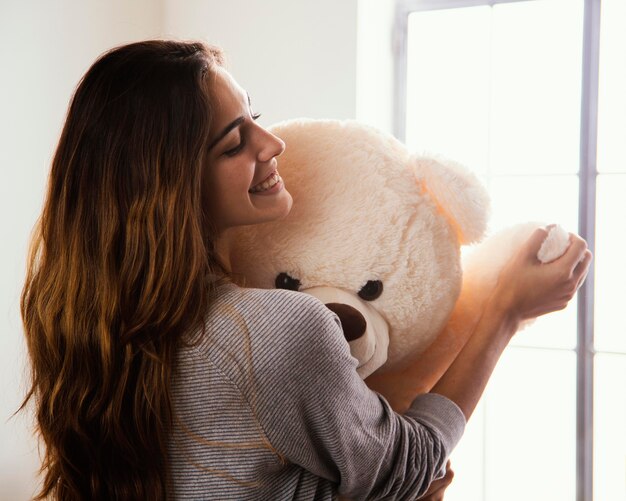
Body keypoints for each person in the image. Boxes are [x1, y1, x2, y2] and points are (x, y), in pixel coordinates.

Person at [20, 39, 592, 501]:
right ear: (168, 188)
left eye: (256, 117)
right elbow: (412, 465)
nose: (272, 144)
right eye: (233, 144)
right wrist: (505, 311)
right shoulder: (274, 330)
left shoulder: (74, 319)